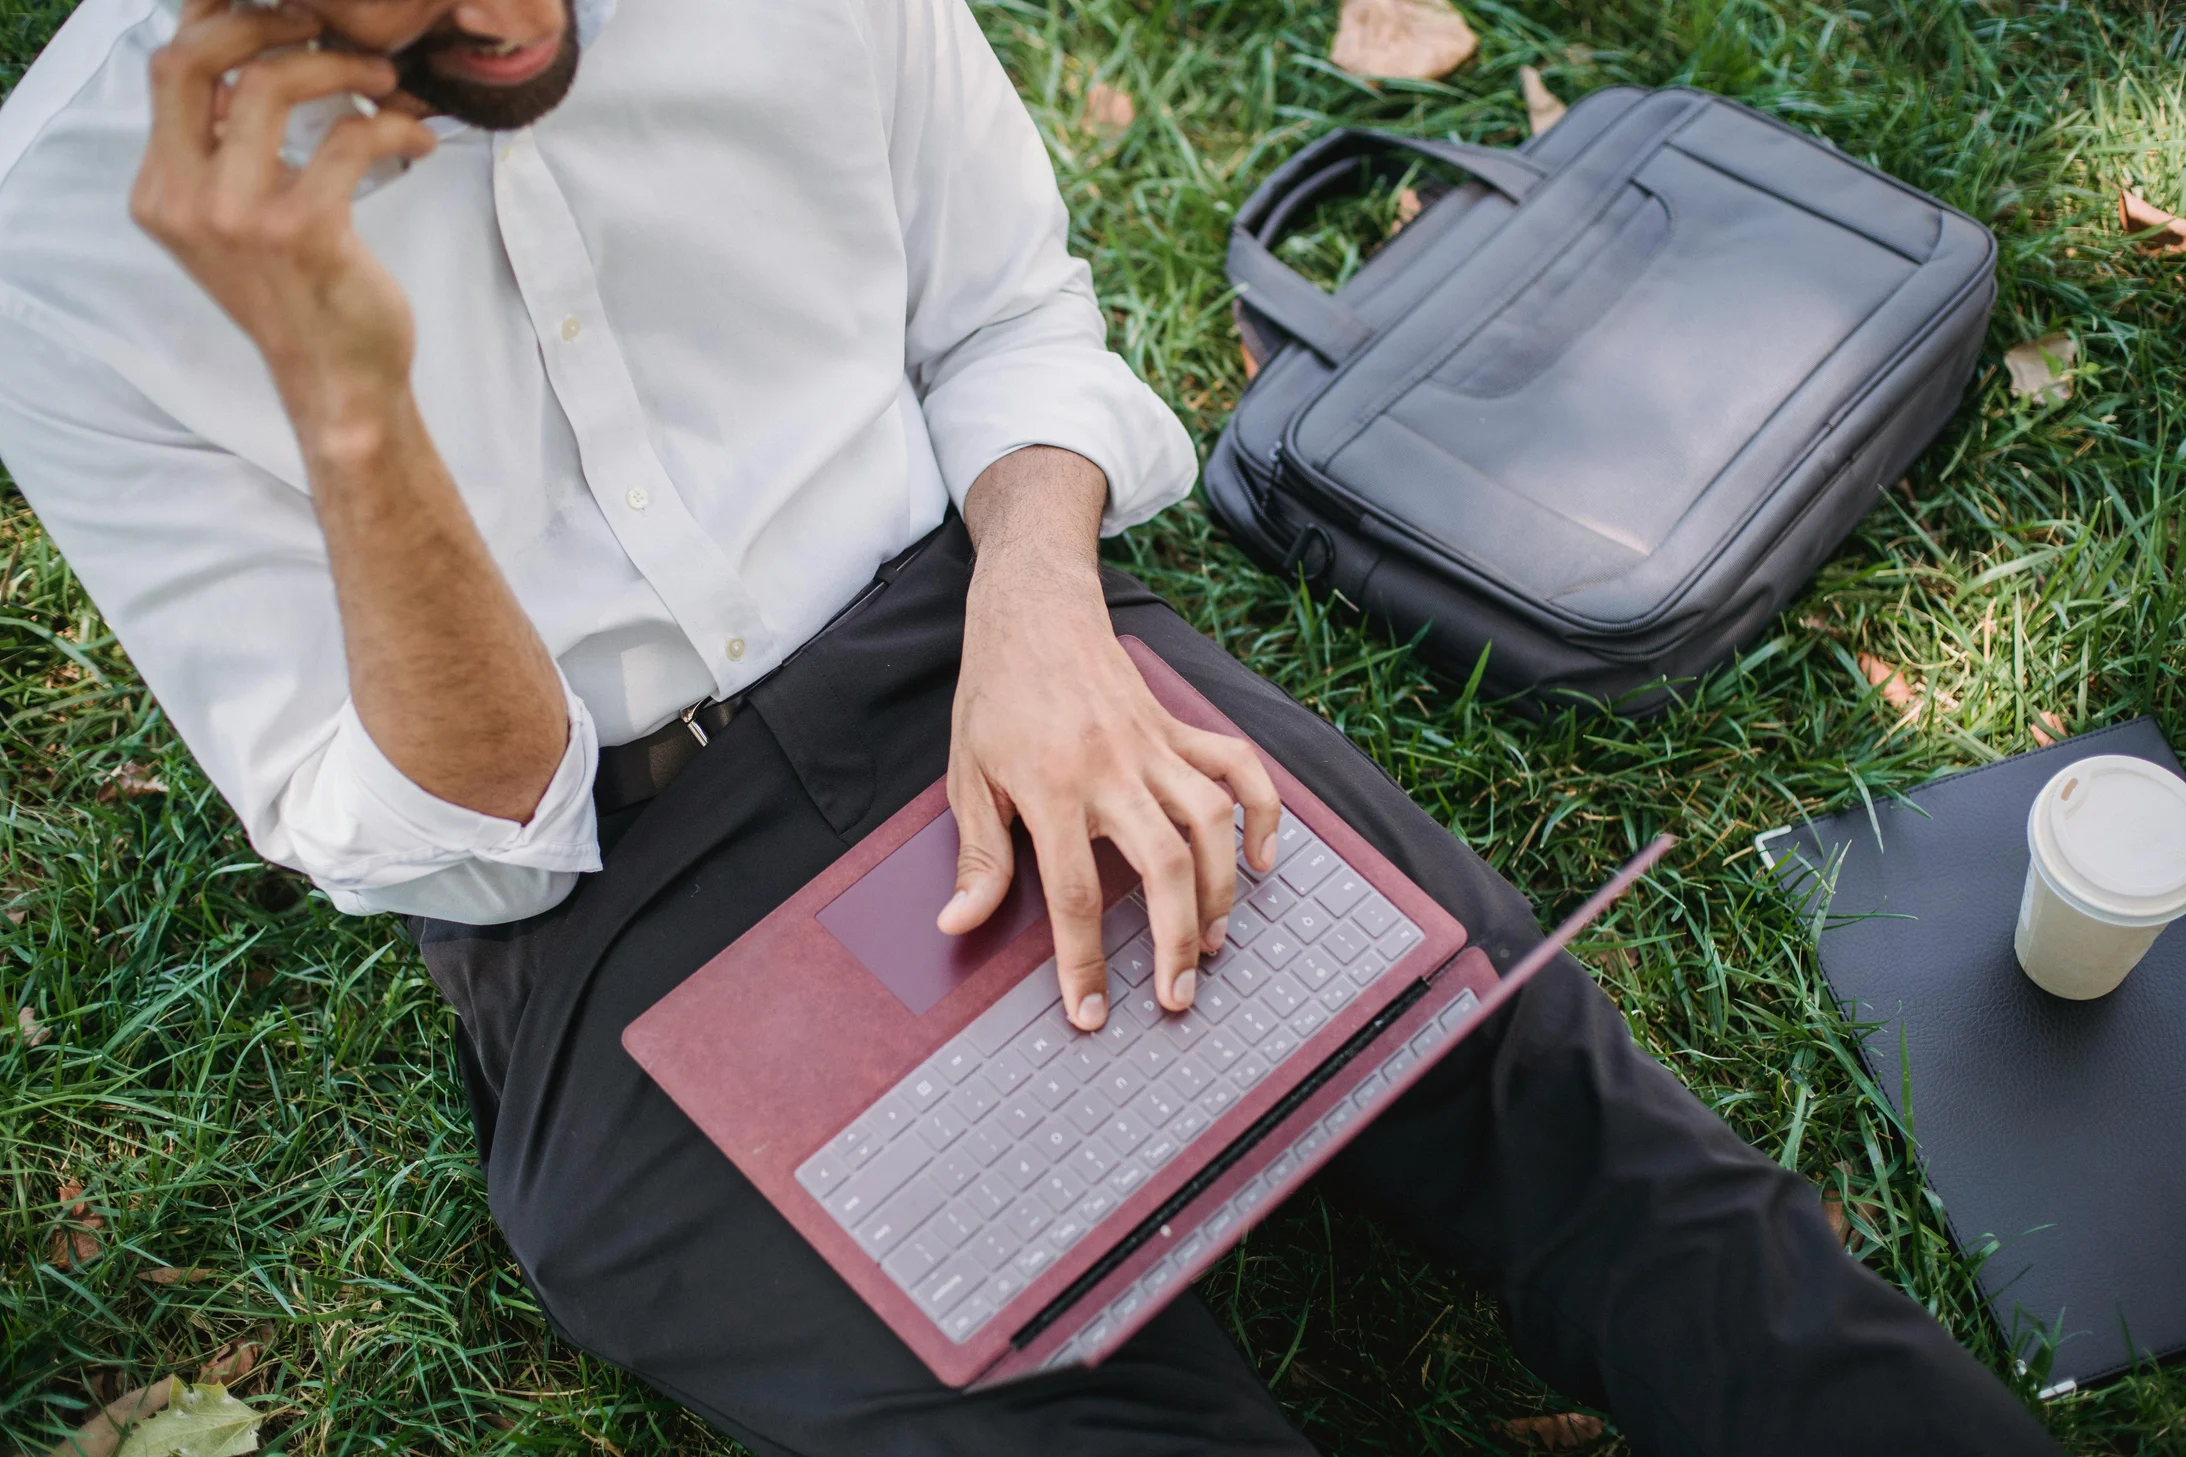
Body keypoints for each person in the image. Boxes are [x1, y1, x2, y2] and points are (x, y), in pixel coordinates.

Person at [0, 0, 2063, 1451]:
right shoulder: (63, 246)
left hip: (982, 624)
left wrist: (1047, 605)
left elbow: (1000, 313)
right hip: (598, 883)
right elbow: (426, 830)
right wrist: (350, 406)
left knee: (1571, 1136)